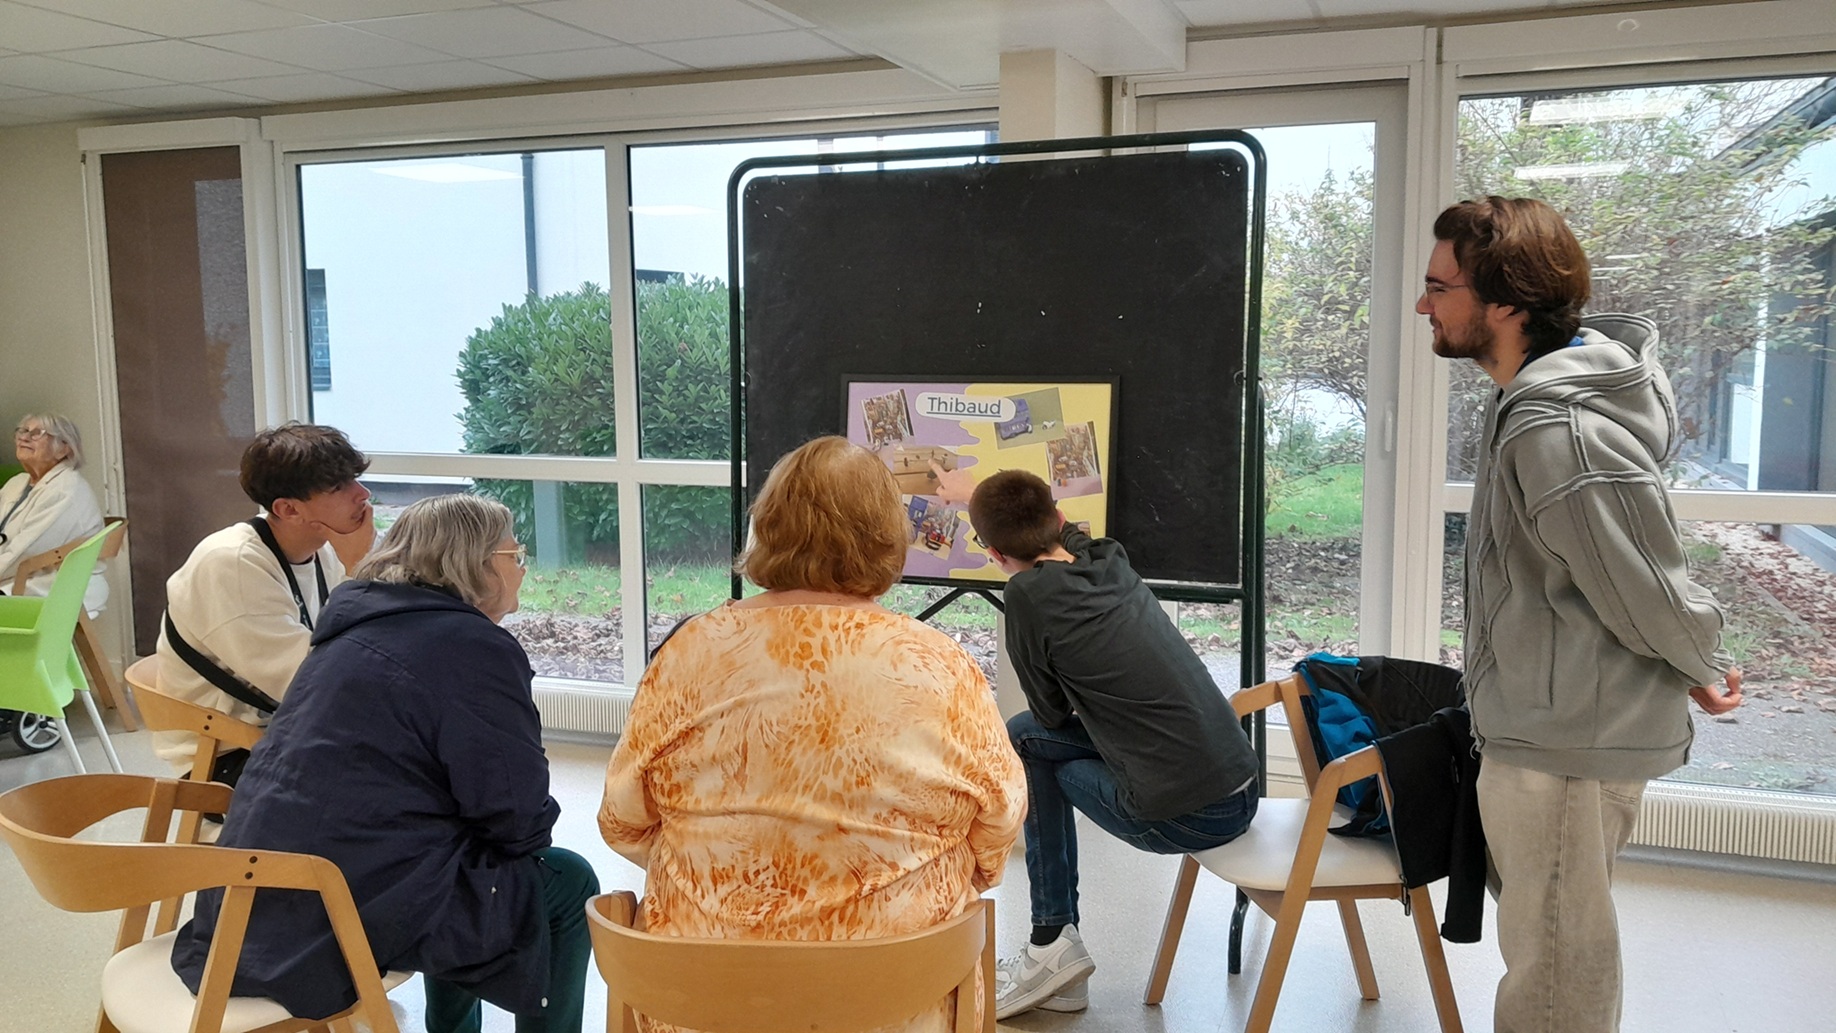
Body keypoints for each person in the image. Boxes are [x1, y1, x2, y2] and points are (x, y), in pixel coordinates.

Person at [1421, 195, 1743, 1033]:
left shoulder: (1556, 425)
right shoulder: (1525, 403)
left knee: (1557, 966)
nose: (1424, 305)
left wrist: (1701, 663)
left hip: (1566, 738)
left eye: (1438, 286)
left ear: (1504, 302)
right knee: (1553, 944)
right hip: (1546, 721)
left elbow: (1641, 578)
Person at [600, 435, 1025, 1033]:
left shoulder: (690, 650)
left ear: (766, 528)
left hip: (703, 1000)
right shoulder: (938, 663)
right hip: (893, 1003)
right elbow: (997, 827)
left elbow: (622, 821)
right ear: (887, 536)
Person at [169, 493, 599, 1033]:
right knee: (566, 879)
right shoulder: (473, 647)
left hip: (245, 907)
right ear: (481, 563)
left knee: (467, 857)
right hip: (331, 916)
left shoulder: (347, 627)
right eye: (517, 555)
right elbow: (515, 815)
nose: (523, 569)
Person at [966, 469, 1260, 1020]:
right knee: (1033, 736)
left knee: (1028, 740)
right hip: (1242, 786)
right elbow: (1072, 535)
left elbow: (1051, 714)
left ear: (994, 553)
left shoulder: (1026, 594)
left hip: (1185, 815)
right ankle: (1058, 963)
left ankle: (1051, 943)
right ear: (1058, 519)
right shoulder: (1109, 557)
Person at [153, 423, 375, 778]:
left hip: (288, 728)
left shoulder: (323, 551)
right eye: (339, 486)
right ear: (288, 510)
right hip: (229, 754)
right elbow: (317, 683)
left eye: (355, 479)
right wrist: (359, 567)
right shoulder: (232, 563)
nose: (362, 493)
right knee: (409, 782)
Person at [0, 413, 108, 613]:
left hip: (47, 584)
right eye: (22, 431)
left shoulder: (65, 489)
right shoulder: (16, 483)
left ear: (63, 449)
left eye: (36, 434)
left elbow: (25, 551)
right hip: (14, 578)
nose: (24, 438)